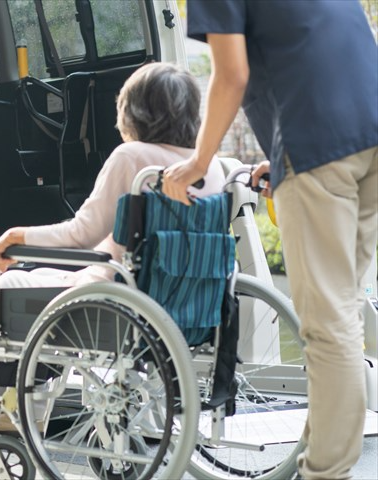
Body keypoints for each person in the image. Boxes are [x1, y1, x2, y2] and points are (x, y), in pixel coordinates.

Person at [0, 62, 226, 434]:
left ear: (133, 111)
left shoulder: (133, 158)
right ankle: (22, 412)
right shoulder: (210, 167)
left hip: (120, 303)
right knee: (43, 281)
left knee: (11, 288)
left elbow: (82, 234)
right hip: (189, 304)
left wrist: (18, 237)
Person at [160, 2, 378, 479]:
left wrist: (199, 162)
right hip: (367, 132)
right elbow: (315, 47)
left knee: (329, 325)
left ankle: (325, 472)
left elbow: (232, 75)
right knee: (343, 312)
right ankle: (324, 457)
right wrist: (278, 159)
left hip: (319, 144)